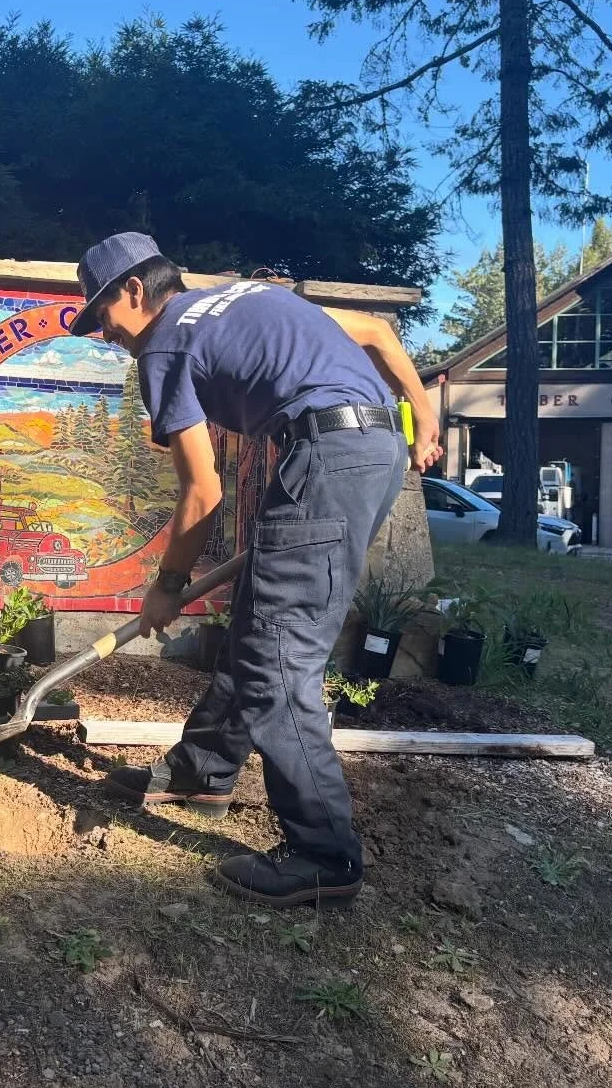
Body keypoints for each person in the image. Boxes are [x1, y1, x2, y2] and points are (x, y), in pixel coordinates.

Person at [70, 232, 442, 908]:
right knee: (259, 621)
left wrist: (168, 587)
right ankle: (201, 771)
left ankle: (324, 855)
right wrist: (426, 413)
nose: (103, 335)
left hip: (326, 455)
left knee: (278, 656)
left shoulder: (165, 344)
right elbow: (378, 333)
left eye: (102, 317)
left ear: (134, 291)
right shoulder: (242, 298)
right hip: (370, 447)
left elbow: (202, 493)